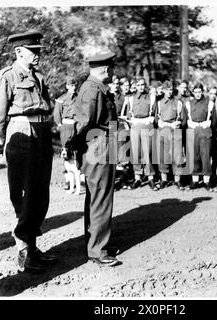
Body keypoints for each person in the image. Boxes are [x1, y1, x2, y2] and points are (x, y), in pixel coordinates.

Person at [0, 31, 57, 273]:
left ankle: (31, 248)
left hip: (41, 131)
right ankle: (24, 251)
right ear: (19, 52)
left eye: (39, 50)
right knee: (24, 192)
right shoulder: (8, 76)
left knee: (40, 193)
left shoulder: (38, 76)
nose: (38, 54)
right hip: (21, 130)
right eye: (34, 50)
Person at [71, 51, 120, 266]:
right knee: (100, 198)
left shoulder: (94, 88)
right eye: (112, 68)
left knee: (95, 196)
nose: (112, 72)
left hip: (98, 145)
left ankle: (95, 243)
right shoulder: (93, 89)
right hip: (98, 146)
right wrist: (76, 145)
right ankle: (98, 249)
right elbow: (84, 123)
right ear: (106, 69)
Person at [127, 78, 158, 191]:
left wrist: (150, 123)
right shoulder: (130, 98)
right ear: (135, 86)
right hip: (135, 126)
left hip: (147, 125)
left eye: (142, 85)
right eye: (138, 85)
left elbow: (155, 114)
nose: (141, 87)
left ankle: (150, 177)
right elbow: (128, 114)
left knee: (147, 152)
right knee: (136, 152)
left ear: (145, 85)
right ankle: (138, 177)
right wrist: (133, 123)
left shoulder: (151, 97)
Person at [156, 80, 186, 190]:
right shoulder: (159, 103)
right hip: (163, 129)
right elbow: (156, 118)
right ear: (163, 90)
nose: (169, 92)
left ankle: (177, 180)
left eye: (171, 89)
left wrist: (178, 125)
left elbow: (183, 119)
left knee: (177, 155)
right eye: (167, 90)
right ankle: (164, 179)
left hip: (175, 129)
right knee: (162, 156)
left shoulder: (178, 102)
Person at [185, 83, 214, 191]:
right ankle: (195, 180)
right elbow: (185, 119)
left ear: (203, 92)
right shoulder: (188, 103)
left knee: (205, 155)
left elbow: (214, 120)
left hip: (205, 129)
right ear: (193, 92)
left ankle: (206, 181)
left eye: (199, 92)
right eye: (195, 92)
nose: (197, 94)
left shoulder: (209, 103)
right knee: (194, 156)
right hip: (193, 129)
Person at [53, 76, 80, 190]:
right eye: (71, 85)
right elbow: (57, 114)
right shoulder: (62, 99)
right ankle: (68, 180)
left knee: (76, 150)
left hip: (77, 126)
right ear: (67, 86)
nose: (73, 88)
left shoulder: (79, 98)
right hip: (66, 126)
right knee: (66, 150)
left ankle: (78, 175)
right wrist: (60, 126)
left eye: (75, 85)